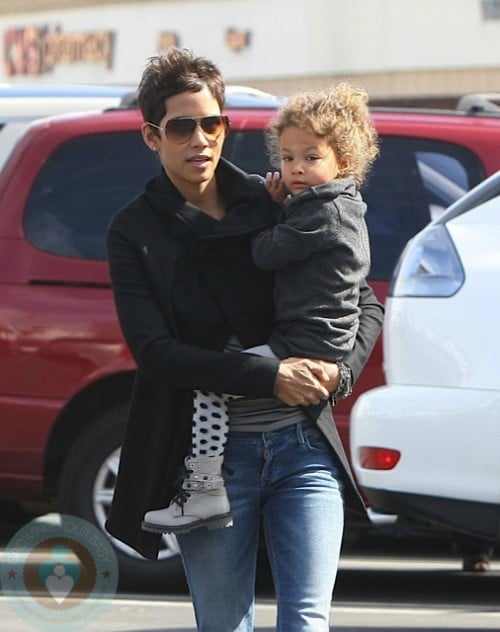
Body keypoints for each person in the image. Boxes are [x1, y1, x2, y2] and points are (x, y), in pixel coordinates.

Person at [105, 47, 384, 632]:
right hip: (209, 462)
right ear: (152, 136)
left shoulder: (275, 198)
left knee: (307, 621)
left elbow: (361, 298)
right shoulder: (135, 231)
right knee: (225, 623)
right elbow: (155, 354)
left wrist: (342, 373)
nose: (201, 139)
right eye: (182, 126)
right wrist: (270, 376)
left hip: (303, 447)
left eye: (214, 123)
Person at [141, 82, 379, 535]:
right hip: (317, 339)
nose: (295, 169)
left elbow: (267, 253)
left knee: (211, 385)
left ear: (343, 163)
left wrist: (268, 211)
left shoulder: (321, 212)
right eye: (288, 158)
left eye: (311, 158)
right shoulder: (342, 207)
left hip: (303, 342)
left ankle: (206, 487)